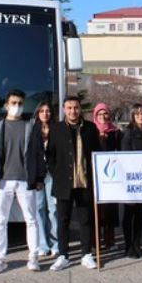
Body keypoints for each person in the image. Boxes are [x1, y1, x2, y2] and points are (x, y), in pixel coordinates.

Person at [0, 89, 45, 274]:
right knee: (1, 221)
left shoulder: (31, 125)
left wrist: (39, 177)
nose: (17, 107)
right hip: (3, 181)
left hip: (26, 180)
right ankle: (1, 259)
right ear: (6, 105)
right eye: (13, 103)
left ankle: (33, 257)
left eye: (20, 103)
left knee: (31, 219)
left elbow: (38, 153)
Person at [47, 95, 101, 271]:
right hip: (64, 182)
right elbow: (51, 155)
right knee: (63, 220)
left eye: (76, 107)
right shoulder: (56, 129)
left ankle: (86, 253)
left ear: (80, 109)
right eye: (69, 108)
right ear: (64, 109)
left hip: (85, 182)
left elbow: (96, 153)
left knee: (85, 220)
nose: (73, 111)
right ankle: (63, 255)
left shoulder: (90, 128)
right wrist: (57, 173)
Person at [120, 103, 142, 258]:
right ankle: (128, 246)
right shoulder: (129, 133)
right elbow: (125, 157)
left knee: (140, 214)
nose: (141, 116)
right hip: (132, 179)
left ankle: (137, 245)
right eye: (137, 113)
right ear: (133, 115)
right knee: (129, 214)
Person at [93, 102, 121, 251]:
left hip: (111, 175)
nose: (103, 116)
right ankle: (96, 241)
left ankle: (109, 240)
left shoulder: (115, 132)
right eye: (100, 114)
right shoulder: (91, 131)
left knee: (110, 210)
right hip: (96, 176)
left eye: (105, 113)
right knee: (97, 210)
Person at [33, 101, 59, 259]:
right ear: (37, 113)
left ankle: (56, 243)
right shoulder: (32, 129)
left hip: (52, 175)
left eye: (48, 111)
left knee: (53, 210)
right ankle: (43, 244)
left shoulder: (57, 129)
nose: (45, 113)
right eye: (42, 110)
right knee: (39, 208)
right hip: (37, 175)